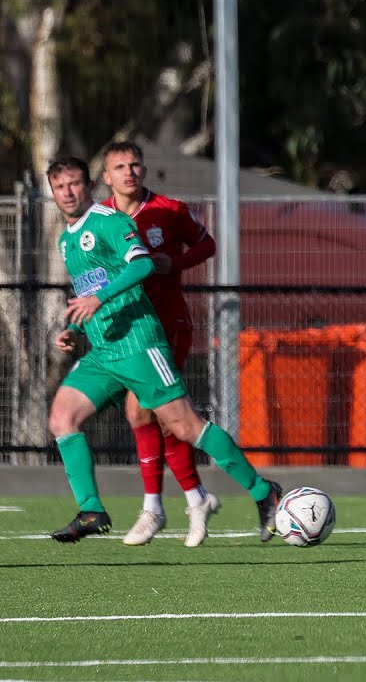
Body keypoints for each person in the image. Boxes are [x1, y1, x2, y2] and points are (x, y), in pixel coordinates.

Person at [43, 155, 282, 544]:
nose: (67, 193)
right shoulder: (68, 238)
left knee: (185, 426)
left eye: (74, 184)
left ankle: (263, 492)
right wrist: (72, 329)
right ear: (52, 192)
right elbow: (86, 292)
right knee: (62, 418)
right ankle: (91, 509)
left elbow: (141, 267)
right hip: (104, 351)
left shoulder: (110, 221)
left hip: (139, 343)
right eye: (59, 187)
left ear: (89, 186)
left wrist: (99, 299)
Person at [99, 141, 220, 547]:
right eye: (120, 166)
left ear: (144, 170)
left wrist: (177, 263)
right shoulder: (100, 219)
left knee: (144, 410)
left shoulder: (169, 210)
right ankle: (194, 499)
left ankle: (155, 507)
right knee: (158, 417)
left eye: (135, 164)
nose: (129, 172)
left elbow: (208, 244)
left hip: (168, 326)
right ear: (107, 176)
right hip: (128, 330)